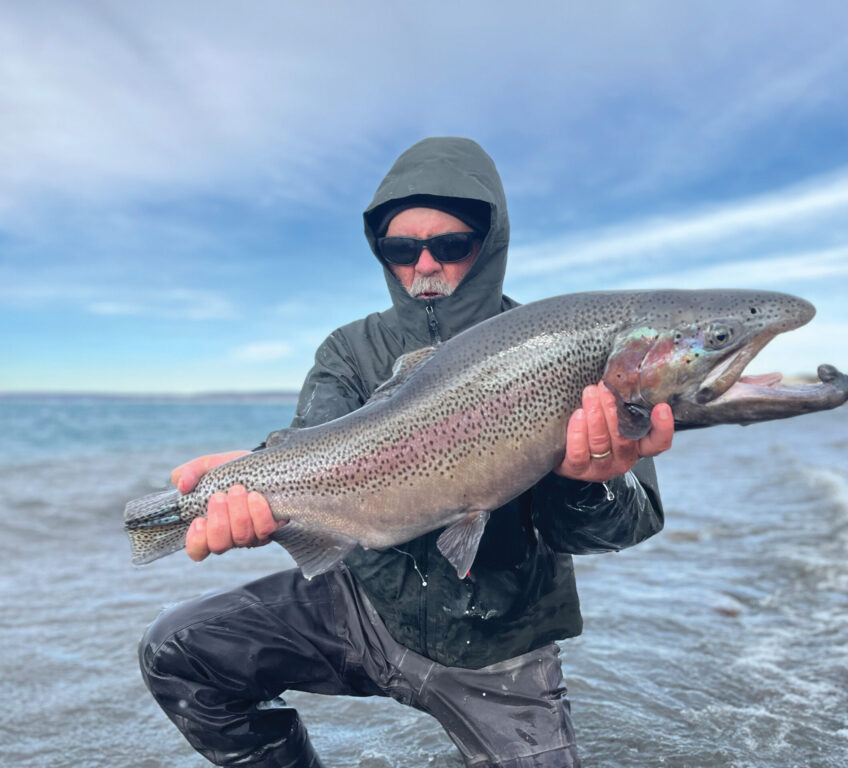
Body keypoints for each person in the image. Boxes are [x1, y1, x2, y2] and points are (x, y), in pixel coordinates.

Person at [138, 137, 674, 768]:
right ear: (382, 254)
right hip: (361, 605)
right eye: (401, 249)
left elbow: (631, 521)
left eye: (450, 246)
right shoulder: (348, 350)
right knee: (176, 652)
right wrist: (251, 481)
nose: (425, 265)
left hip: (500, 643)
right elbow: (321, 446)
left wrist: (591, 483)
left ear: (488, 245)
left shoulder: (561, 346)